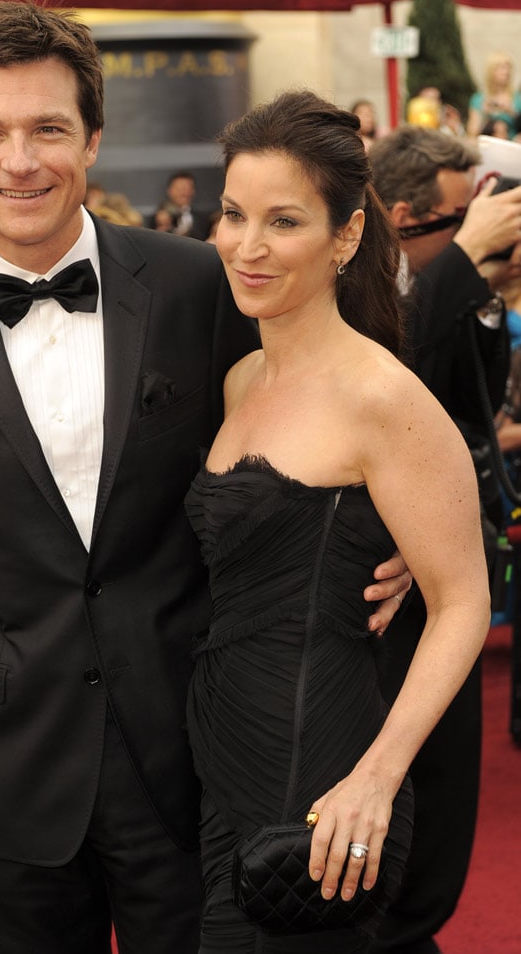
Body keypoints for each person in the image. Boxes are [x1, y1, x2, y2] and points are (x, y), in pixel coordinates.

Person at [0, 3, 410, 954]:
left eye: (49, 129)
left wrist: (388, 527)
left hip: (195, 748)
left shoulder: (200, 283)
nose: (18, 160)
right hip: (8, 766)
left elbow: (327, 392)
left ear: (95, 139)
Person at [184, 89, 490, 954]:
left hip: (321, 757)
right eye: (233, 215)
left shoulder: (383, 395)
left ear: (346, 236)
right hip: (222, 744)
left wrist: (376, 776)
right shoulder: (242, 380)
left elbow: (464, 600)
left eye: (284, 221)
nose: (247, 246)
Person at [370, 125, 521, 954]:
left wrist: (487, 287)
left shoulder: (453, 286)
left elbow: (472, 404)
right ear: (403, 218)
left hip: (456, 571)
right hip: (388, 588)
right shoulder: (368, 294)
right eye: (461, 220)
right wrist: (465, 264)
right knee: (411, 792)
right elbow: (391, 380)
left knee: (450, 791)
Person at [467, 51, 521, 140]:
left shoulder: (518, 98)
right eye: (501, 68)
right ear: (491, 71)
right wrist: (484, 113)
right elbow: (471, 133)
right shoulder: (478, 99)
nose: (506, 72)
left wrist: (511, 112)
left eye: (508, 68)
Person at [158, 170, 211, 240]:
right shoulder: (158, 216)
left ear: (193, 191)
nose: (184, 192)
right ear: (169, 191)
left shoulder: (204, 219)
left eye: (188, 188)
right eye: (180, 189)